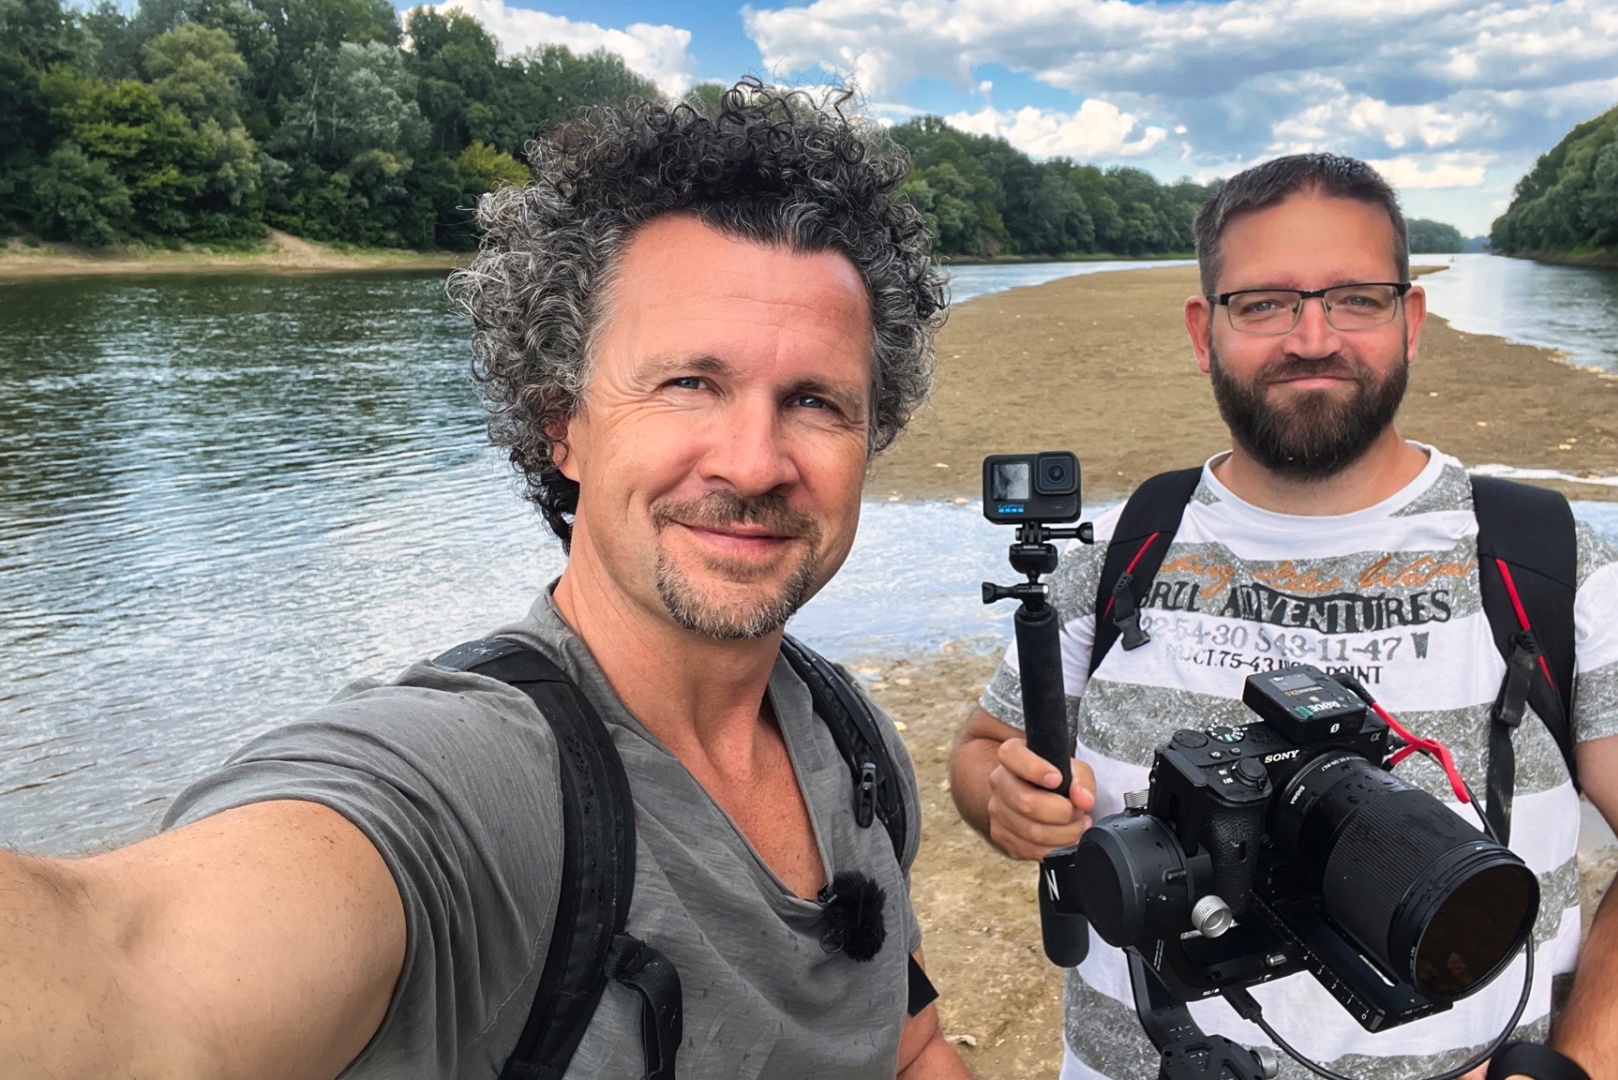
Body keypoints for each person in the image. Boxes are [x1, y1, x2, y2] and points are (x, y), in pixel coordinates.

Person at [0, 85, 971, 1080]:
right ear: (562, 426)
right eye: (689, 383)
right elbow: (130, 968)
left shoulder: (852, 741)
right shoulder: (476, 786)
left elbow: (910, 1047)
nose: (755, 462)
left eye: (814, 401)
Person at [949, 154, 1618, 1080]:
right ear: (1205, 331)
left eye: (1356, 299)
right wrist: (1004, 801)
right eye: (1265, 304)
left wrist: (1574, 1070)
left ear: (1411, 320)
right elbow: (985, 750)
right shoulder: (1125, 553)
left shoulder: (1551, 572)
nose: (1312, 338)